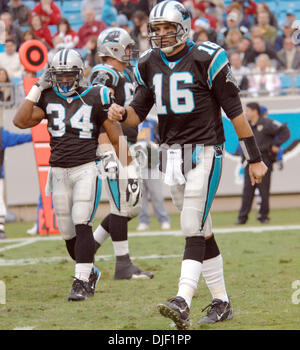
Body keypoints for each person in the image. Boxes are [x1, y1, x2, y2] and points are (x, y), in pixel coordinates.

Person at [106, 0, 267, 329]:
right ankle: (221, 302)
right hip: (172, 155)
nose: (162, 35)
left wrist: (255, 158)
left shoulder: (206, 57)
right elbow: (139, 110)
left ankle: (182, 299)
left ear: (183, 27)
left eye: (168, 28)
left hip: (206, 150)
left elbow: (235, 112)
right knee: (202, 230)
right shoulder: (149, 62)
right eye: (157, 29)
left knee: (191, 225)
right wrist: (122, 114)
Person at [13, 48, 134, 302]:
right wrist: (37, 86)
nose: (65, 81)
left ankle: (80, 283)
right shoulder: (47, 96)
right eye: (60, 75)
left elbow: (115, 135)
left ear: (79, 75)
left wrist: (129, 167)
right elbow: (20, 120)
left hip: (85, 168)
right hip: (57, 170)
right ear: (52, 76)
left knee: (82, 220)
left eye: (70, 75)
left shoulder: (96, 95)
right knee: (68, 233)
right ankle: (89, 273)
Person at [88, 27, 153, 280]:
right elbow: (99, 112)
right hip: (113, 146)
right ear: (114, 48)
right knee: (123, 204)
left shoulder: (121, 73)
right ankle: (123, 264)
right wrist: (111, 149)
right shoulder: (103, 73)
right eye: (126, 47)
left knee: (129, 206)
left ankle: (90, 248)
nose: (129, 52)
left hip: (124, 145)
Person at [236, 102, 290, 225]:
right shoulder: (247, 125)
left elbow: (285, 130)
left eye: (248, 110)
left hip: (264, 160)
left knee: (263, 190)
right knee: (247, 191)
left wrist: (276, 145)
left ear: (255, 111)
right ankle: (242, 218)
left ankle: (263, 216)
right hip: (250, 162)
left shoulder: (267, 123)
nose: (246, 113)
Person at [136, 118, 171, 231]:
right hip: (136, 164)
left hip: (152, 163)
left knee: (157, 194)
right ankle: (143, 221)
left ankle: (163, 219)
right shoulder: (132, 124)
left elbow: (161, 139)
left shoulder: (153, 123)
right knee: (141, 196)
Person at [0, 127, 32, 239]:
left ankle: (1, 229)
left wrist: (35, 136)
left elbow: (18, 138)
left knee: (0, 203)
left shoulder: (2, 135)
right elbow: (18, 138)